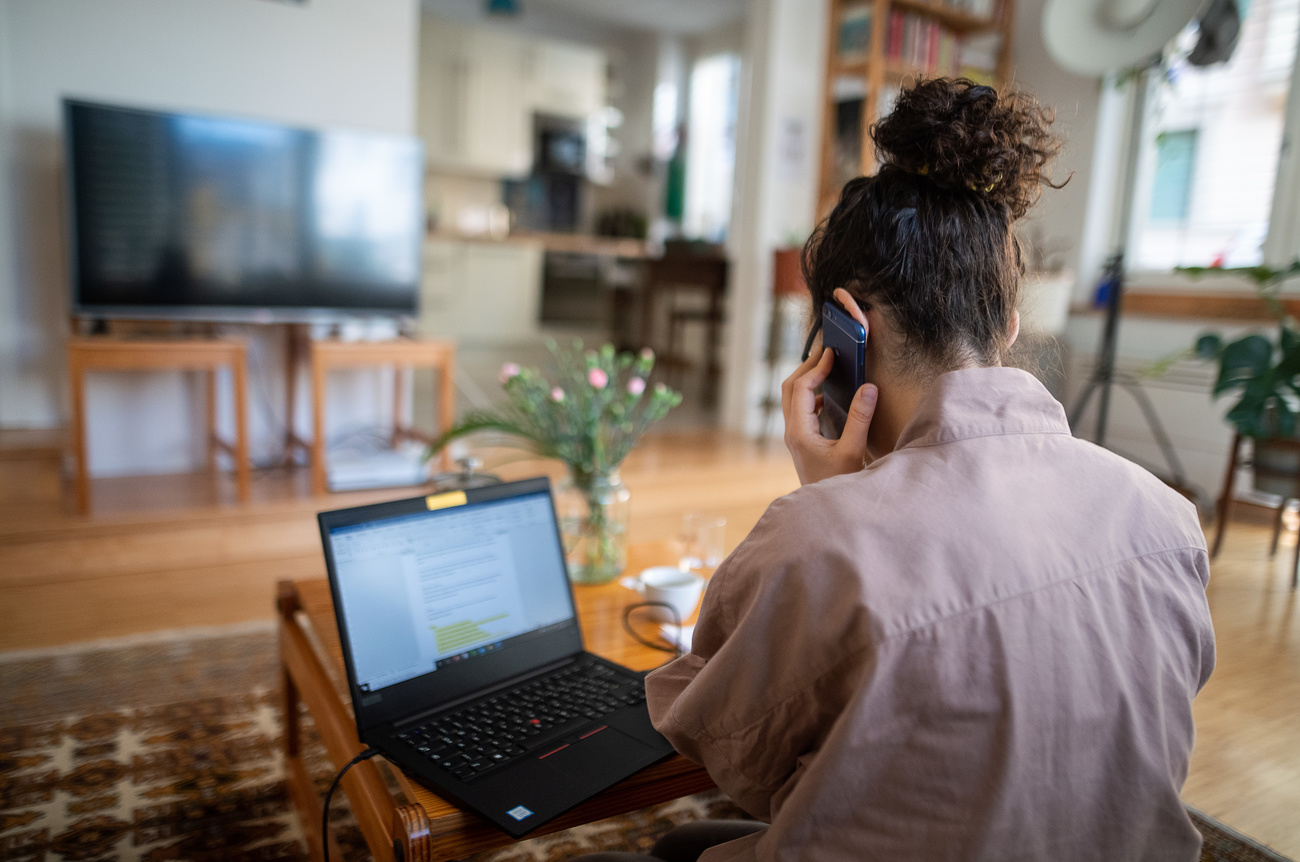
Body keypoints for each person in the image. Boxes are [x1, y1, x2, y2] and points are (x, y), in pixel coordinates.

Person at [573, 77, 1215, 862]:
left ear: (843, 325)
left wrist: (836, 502)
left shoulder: (817, 542)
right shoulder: (1167, 517)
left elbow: (723, 748)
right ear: (1008, 325)